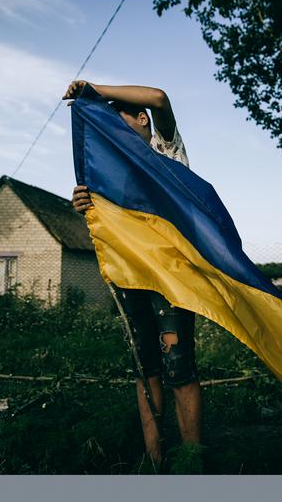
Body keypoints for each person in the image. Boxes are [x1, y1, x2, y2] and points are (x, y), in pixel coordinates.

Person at [63, 80, 202, 471]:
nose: (112, 129)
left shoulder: (166, 151)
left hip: (171, 283)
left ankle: (193, 465)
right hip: (131, 280)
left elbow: (160, 98)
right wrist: (84, 204)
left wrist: (93, 90)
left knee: (179, 368)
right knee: (146, 371)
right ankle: (154, 464)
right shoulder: (112, 173)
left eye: (119, 117)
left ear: (142, 120)